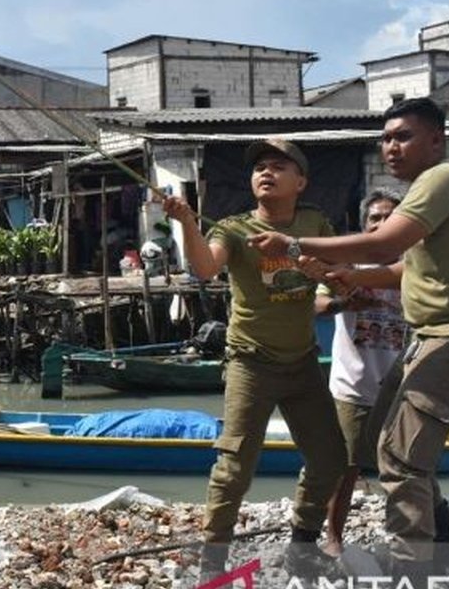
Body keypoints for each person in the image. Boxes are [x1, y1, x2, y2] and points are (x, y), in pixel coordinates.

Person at [248, 98, 449, 578]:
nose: (391, 146)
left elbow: (386, 243)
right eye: (386, 138)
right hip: (437, 336)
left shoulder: (443, 179)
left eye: (403, 136)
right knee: (384, 442)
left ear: (437, 140)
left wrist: (294, 244)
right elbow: (404, 269)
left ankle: (414, 570)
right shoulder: (429, 194)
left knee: (401, 461)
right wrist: (348, 275)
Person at [161, 138, 346, 580]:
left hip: (302, 362)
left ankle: (303, 543)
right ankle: (213, 565)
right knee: (234, 468)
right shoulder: (232, 228)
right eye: (260, 166)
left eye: (279, 166)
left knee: (330, 460)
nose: (266, 172)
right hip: (250, 362)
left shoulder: (314, 221)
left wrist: (319, 278)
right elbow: (206, 268)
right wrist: (187, 222)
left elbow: (336, 275)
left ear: (300, 181)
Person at [312, 188, 405, 555]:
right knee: (346, 467)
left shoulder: (412, 266)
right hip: (353, 385)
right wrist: (345, 301)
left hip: (399, 384)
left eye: (390, 218)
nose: (382, 224)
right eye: (375, 219)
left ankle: (406, 533)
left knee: (403, 466)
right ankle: (333, 538)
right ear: (365, 226)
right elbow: (316, 304)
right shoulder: (346, 269)